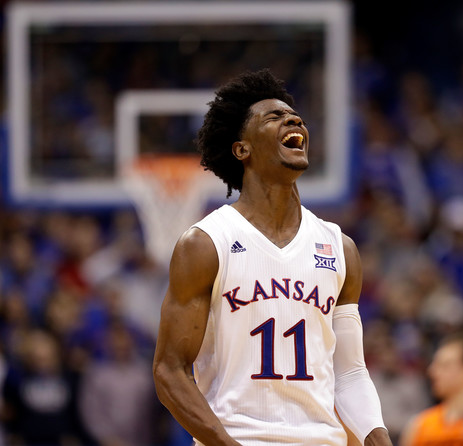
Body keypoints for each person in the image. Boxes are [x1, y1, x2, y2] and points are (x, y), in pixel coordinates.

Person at [153, 69, 392, 446]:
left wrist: (378, 439)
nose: (293, 120)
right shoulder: (206, 243)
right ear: (242, 149)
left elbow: (350, 373)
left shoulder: (339, 247)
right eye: (273, 117)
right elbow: (170, 370)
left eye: (294, 117)